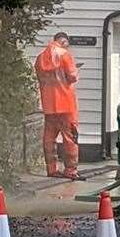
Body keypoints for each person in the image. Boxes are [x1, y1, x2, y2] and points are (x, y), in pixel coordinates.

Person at [34, 31, 81, 180]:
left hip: (48, 104)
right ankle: (71, 170)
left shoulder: (41, 58)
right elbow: (72, 77)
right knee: (70, 138)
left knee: (49, 138)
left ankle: (52, 169)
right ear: (64, 41)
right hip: (66, 104)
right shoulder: (65, 55)